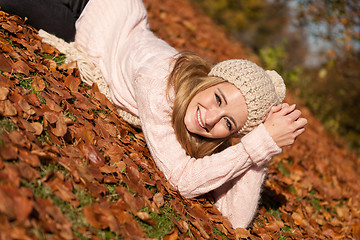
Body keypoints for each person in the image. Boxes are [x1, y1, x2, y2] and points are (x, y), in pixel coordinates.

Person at [0, 0, 307, 228]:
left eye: (228, 122)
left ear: (234, 133)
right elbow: (182, 179)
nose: (211, 117)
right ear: (210, 80)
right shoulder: (161, 81)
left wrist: (261, 148)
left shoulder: (209, 132)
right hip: (87, 10)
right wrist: (261, 142)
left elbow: (235, 220)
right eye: (218, 98)